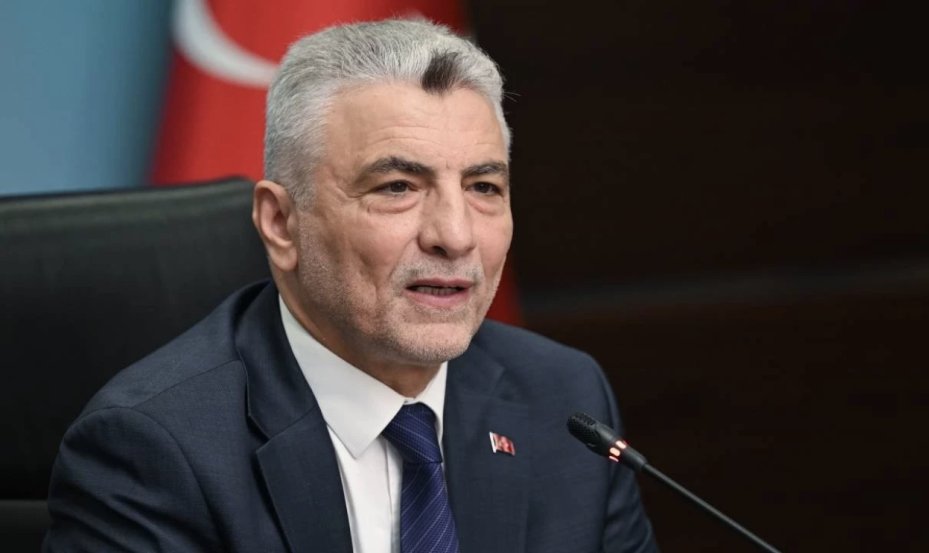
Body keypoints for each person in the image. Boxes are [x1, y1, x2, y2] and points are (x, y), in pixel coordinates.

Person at [44, 19, 657, 553]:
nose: (455, 235)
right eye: (397, 187)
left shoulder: (562, 399)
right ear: (281, 223)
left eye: (483, 187)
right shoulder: (153, 450)